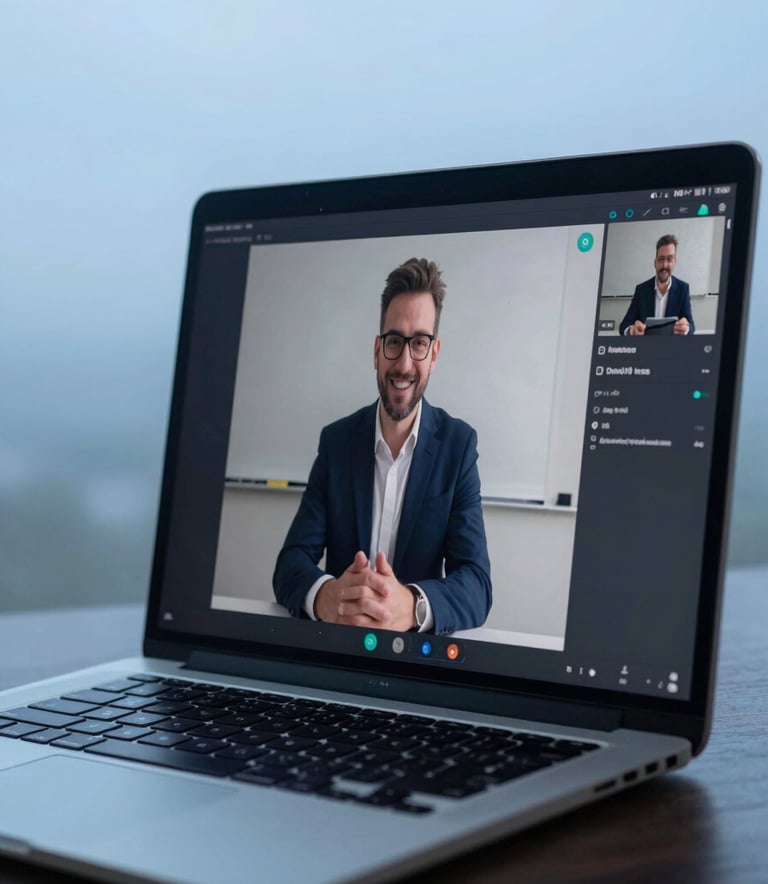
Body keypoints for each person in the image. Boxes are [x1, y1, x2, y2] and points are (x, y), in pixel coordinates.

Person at [273, 257, 492, 635]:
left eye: (419, 343)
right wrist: (328, 597)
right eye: (394, 342)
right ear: (377, 350)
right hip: (340, 652)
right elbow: (291, 563)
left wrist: (412, 605)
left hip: (415, 663)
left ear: (434, 354)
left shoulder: (458, 447)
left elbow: (476, 583)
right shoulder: (337, 443)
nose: (404, 364)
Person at [619, 234, 695, 336]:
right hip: (646, 349)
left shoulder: (683, 289)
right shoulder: (641, 290)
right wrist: (631, 330)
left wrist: (686, 328)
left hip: (672, 349)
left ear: (674, 262)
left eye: (669, 259)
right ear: (655, 262)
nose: (665, 265)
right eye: (661, 259)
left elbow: (691, 326)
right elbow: (624, 326)